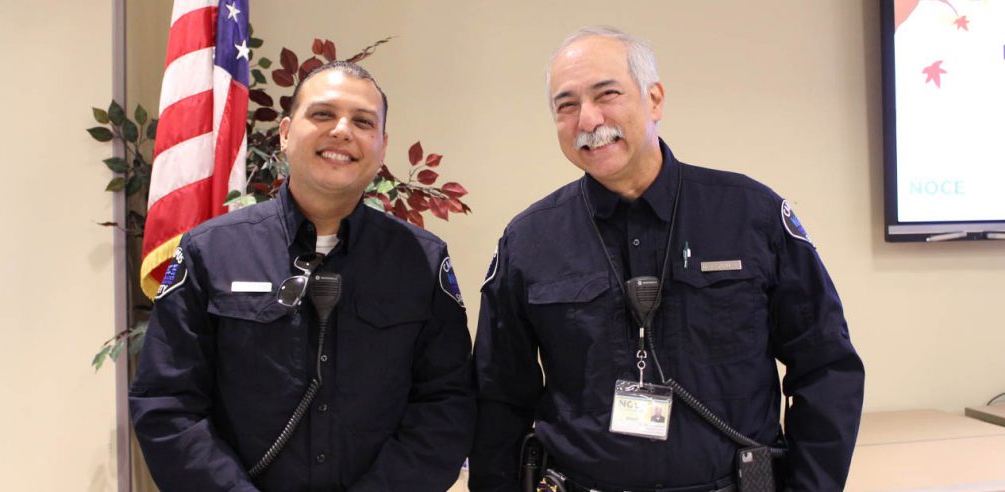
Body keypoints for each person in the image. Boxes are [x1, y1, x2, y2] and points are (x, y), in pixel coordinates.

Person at [470, 26, 864, 492]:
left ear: (654, 99)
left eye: (607, 94)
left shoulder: (750, 214)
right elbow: (498, 399)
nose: (588, 119)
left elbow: (826, 366)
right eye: (566, 105)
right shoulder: (529, 240)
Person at [130, 61, 475, 492]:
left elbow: (446, 403)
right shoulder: (210, 252)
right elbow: (167, 403)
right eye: (323, 114)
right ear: (286, 133)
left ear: (382, 146)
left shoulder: (421, 261)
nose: (342, 131)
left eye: (363, 121)